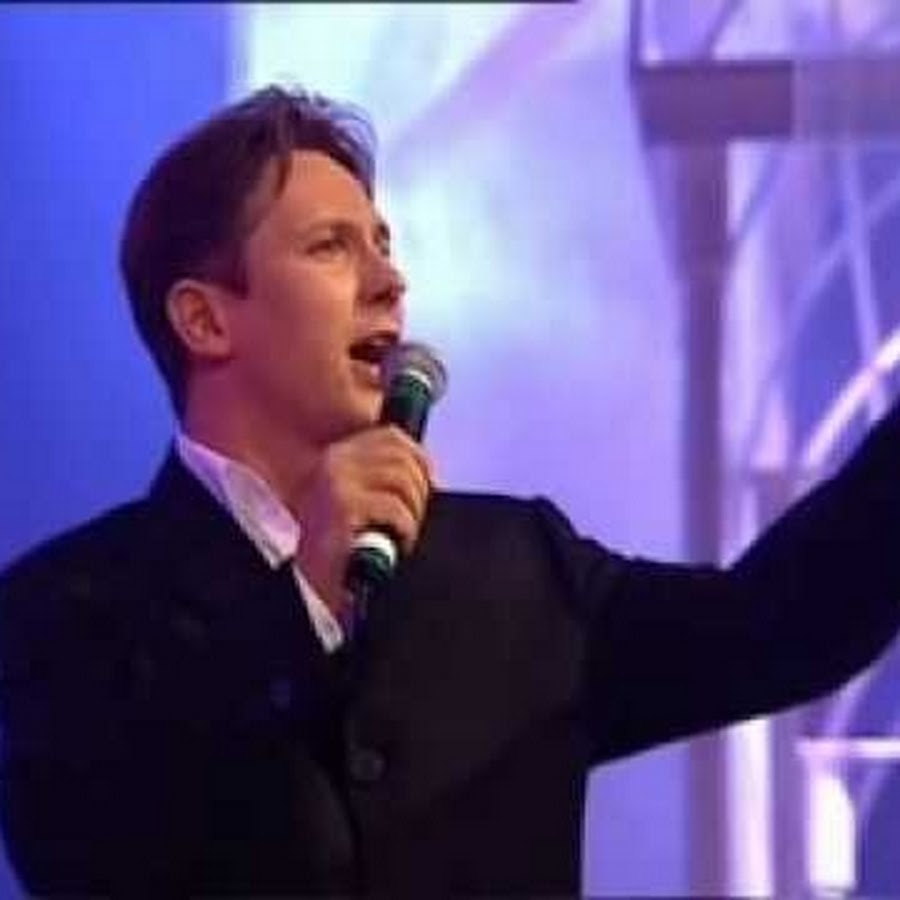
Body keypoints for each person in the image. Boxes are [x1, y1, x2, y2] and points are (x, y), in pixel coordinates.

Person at [2, 84, 900, 897]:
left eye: (384, 245)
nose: (390, 282)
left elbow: (786, 624)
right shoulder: (62, 613)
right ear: (204, 319)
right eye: (331, 247)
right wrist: (303, 599)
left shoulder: (518, 572)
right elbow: (104, 857)